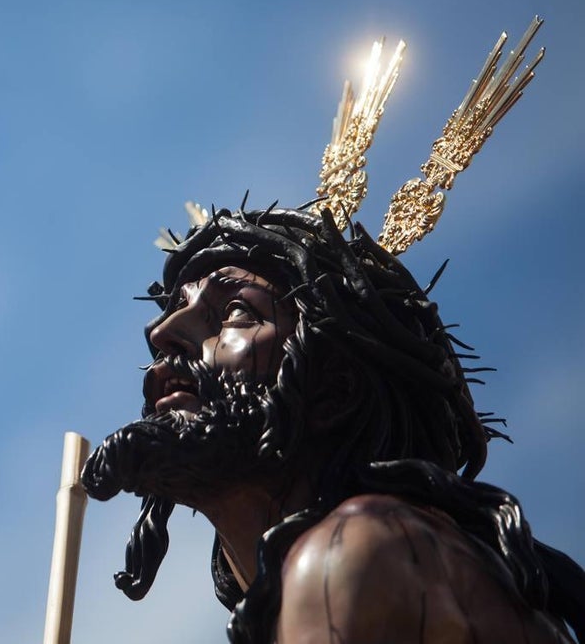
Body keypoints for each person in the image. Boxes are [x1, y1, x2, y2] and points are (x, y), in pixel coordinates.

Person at [81, 205, 585, 643]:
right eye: (171, 313)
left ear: (335, 388)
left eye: (234, 311)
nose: (162, 332)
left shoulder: (362, 554)